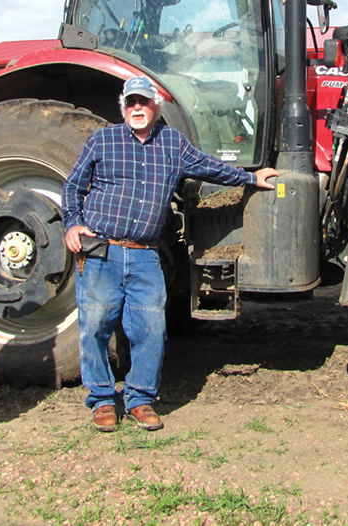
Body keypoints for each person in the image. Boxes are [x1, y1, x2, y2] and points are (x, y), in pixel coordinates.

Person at [63, 76, 279, 433]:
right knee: (96, 326)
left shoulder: (173, 144)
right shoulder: (103, 140)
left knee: (150, 329)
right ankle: (102, 401)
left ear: (155, 106)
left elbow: (212, 166)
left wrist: (251, 178)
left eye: (143, 102)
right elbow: (73, 186)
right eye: (131, 102)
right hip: (102, 250)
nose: (137, 108)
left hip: (146, 254)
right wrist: (72, 224)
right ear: (123, 106)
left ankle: (140, 399)